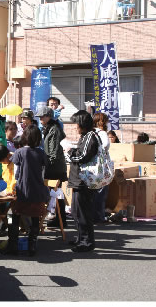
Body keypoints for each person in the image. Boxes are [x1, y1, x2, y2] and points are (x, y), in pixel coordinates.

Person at [4, 125, 49, 256]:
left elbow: (17, 174)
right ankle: (32, 246)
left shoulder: (19, 152)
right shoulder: (41, 152)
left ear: (25, 137)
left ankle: (13, 246)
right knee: (35, 218)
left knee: (15, 217)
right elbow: (42, 173)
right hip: (38, 190)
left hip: (23, 190)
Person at [63, 110, 99, 253]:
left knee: (83, 212)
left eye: (76, 123)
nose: (75, 126)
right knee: (77, 212)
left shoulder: (90, 137)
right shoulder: (86, 136)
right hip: (80, 180)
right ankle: (81, 237)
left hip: (84, 180)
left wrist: (69, 151)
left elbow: (82, 157)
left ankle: (87, 241)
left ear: (82, 123)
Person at [37, 106, 68, 228]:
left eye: (42, 116)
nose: (40, 119)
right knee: (56, 193)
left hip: (54, 167)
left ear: (49, 117)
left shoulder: (54, 129)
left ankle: (61, 220)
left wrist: (45, 164)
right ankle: (60, 219)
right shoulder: (48, 128)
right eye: (39, 116)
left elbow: (53, 152)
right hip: (52, 165)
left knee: (56, 193)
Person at [92, 113, 111, 223]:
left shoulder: (91, 132)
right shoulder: (102, 133)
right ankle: (99, 216)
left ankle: (93, 215)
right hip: (101, 166)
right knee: (101, 190)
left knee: (93, 191)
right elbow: (105, 146)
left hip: (92, 165)